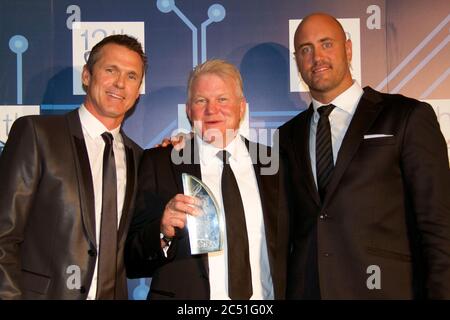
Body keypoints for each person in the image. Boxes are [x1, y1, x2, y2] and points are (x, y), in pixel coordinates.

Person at [279, 12, 450, 299]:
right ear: (298, 62)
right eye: (305, 50)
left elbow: (439, 226)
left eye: (326, 44)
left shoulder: (406, 116)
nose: (316, 57)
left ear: (348, 48)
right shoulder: (286, 136)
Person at [125, 59, 289, 300]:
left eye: (222, 99)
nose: (212, 110)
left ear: (241, 107)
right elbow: (132, 259)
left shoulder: (275, 165)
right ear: (189, 111)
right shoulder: (159, 163)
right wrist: (161, 231)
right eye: (201, 101)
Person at [0, 34, 145, 299]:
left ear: (137, 93)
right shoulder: (37, 134)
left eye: (131, 76)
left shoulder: (139, 158)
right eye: (110, 70)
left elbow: (133, 248)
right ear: (87, 76)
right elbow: (4, 234)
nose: (120, 83)